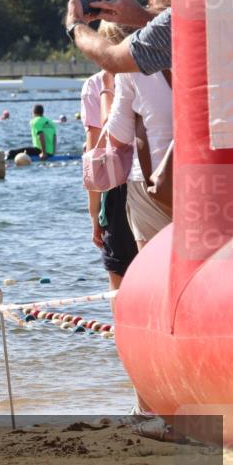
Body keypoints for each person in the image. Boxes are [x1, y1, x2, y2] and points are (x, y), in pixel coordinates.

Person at [102, 0, 173, 252]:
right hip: (213, 181)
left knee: (159, 285)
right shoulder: (219, 49)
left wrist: (110, 87)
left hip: (153, 190)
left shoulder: (132, 71)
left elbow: (117, 137)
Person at [82, 23, 137, 298]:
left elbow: (96, 154)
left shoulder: (95, 84)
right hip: (154, 177)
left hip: (117, 185)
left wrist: (94, 215)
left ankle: (122, 340)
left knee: (118, 278)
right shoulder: (152, 71)